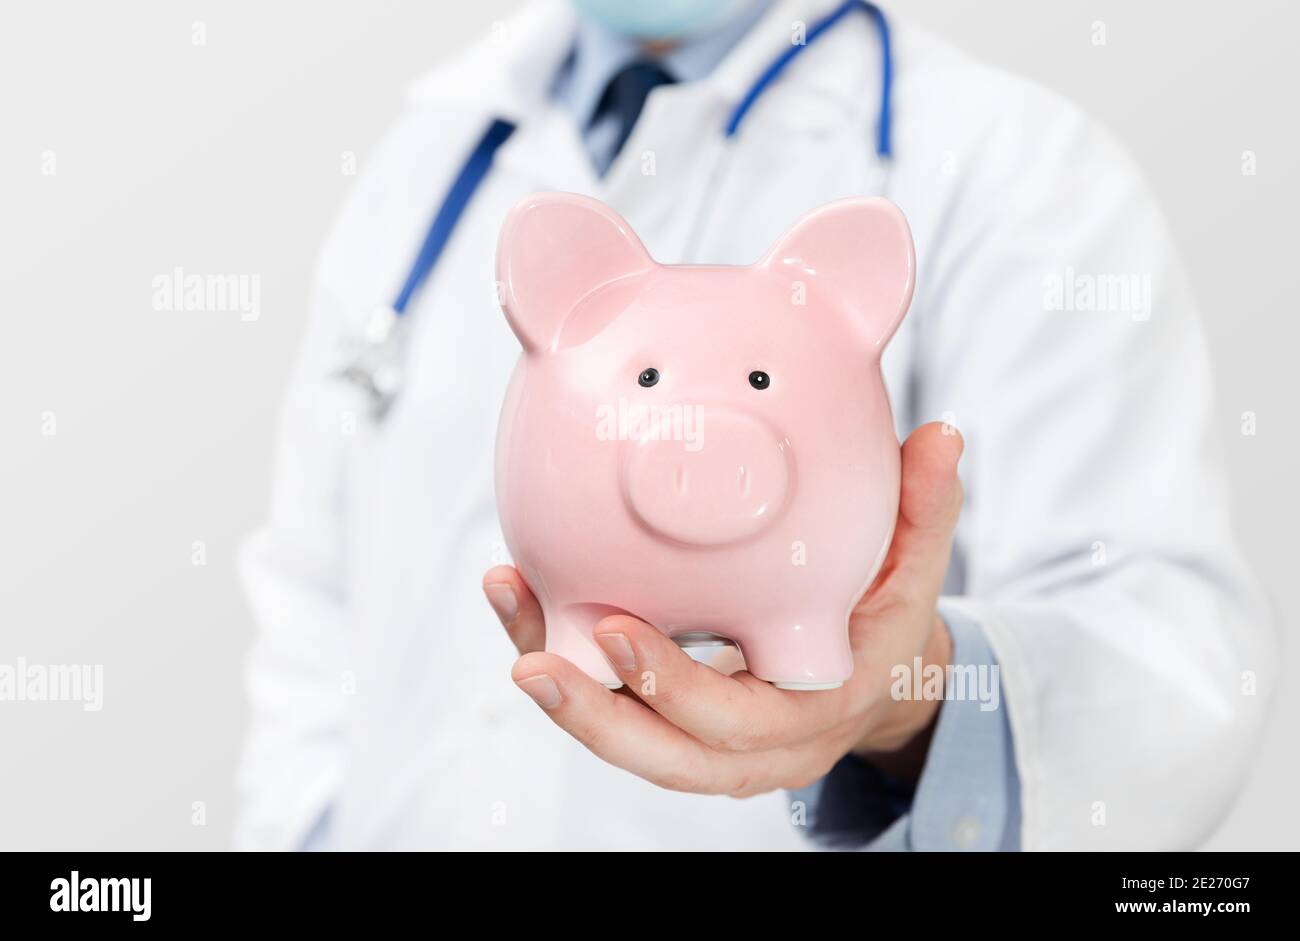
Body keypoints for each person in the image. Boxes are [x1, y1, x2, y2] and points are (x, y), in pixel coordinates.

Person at [235, 0, 1273, 851]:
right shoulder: (431, 156)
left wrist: (904, 695)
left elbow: (1170, 659)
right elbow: (311, 591)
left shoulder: (1014, 169)